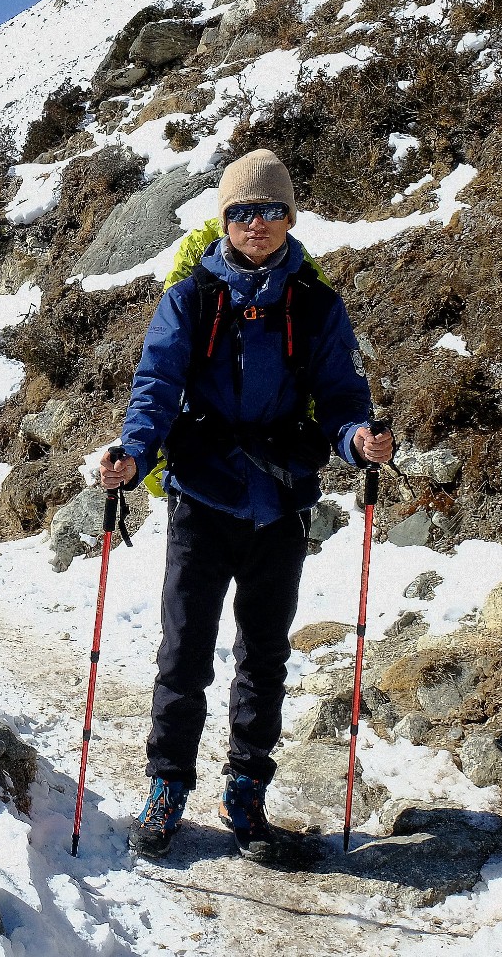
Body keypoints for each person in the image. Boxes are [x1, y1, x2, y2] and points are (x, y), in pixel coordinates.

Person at [97, 148, 392, 862]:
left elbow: (342, 398)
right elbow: (157, 385)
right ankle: (167, 786)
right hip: (202, 493)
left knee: (264, 653)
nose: (255, 223)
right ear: (223, 220)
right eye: (240, 211)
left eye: (268, 210)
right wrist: (135, 454)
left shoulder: (317, 304)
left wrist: (358, 441)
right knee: (185, 650)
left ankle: (246, 793)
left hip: (279, 500)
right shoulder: (191, 299)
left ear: (290, 216)